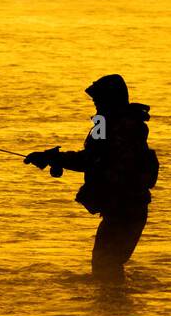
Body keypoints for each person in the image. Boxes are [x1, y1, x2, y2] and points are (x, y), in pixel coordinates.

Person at [23, 75, 158, 281]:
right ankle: (117, 310)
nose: (95, 103)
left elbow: (91, 159)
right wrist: (54, 159)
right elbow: (93, 157)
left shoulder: (118, 124)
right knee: (107, 265)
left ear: (111, 99)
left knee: (106, 265)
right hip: (123, 208)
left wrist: (53, 158)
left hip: (126, 209)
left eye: (99, 99)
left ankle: (113, 309)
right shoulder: (109, 122)